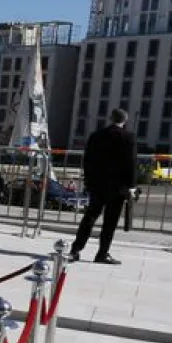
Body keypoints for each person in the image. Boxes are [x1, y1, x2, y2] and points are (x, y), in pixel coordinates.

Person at [70, 108, 137, 264]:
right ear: (125, 120)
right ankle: (102, 253)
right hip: (118, 187)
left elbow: (87, 160)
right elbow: (131, 163)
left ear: (110, 118)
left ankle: (76, 249)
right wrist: (131, 186)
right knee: (110, 222)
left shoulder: (96, 136)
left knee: (90, 217)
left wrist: (88, 181)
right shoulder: (128, 137)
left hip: (98, 184)